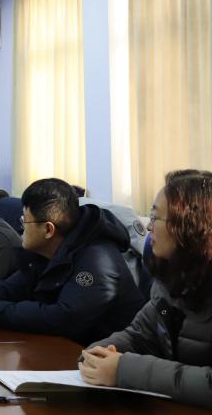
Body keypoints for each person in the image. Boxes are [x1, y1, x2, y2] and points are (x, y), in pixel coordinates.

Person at [0, 178, 145, 345]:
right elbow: (9, 289)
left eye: (25, 222)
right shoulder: (46, 250)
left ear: (48, 229)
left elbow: (65, 317)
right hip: (63, 349)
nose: (20, 229)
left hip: (101, 357)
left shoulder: (98, 258)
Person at [80, 172, 212, 408]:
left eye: (154, 217)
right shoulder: (170, 277)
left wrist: (124, 370)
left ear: (190, 225)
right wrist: (98, 353)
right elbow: (142, 334)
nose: (149, 226)